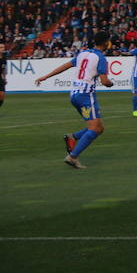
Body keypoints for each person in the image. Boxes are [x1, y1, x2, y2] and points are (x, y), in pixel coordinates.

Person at [34, 31, 114, 169]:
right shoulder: (101, 58)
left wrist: (46, 76)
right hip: (86, 96)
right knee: (95, 129)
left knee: (98, 128)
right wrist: (111, 83)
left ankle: (73, 137)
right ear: (106, 42)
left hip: (74, 94)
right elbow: (105, 81)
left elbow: (65, 66)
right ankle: (72, 157)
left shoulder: (83, 54)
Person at [0, 42, 7, 108]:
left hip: (0, 78)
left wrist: (4, 78)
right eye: (1, 47)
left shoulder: (4, 58)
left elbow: (3, 69)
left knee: (2, 96)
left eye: (3, 47)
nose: (2, 49)